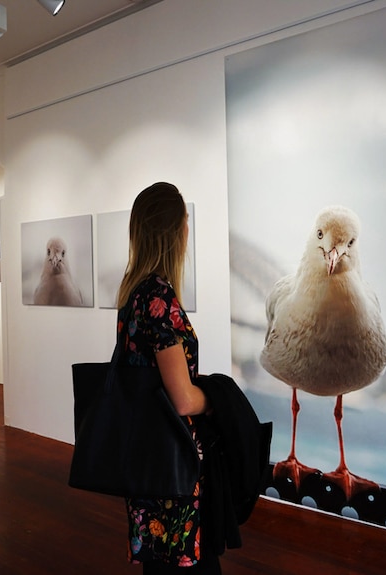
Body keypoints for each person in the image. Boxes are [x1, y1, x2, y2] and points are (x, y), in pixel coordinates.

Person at [116, 182, 220, 574]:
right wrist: (217, 397)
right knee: (181, 563)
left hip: (143, 453)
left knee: (157, 563)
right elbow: (182, 400)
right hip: (171, 461)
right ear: (176, 233)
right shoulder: (159, 298)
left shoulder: (133, 293)